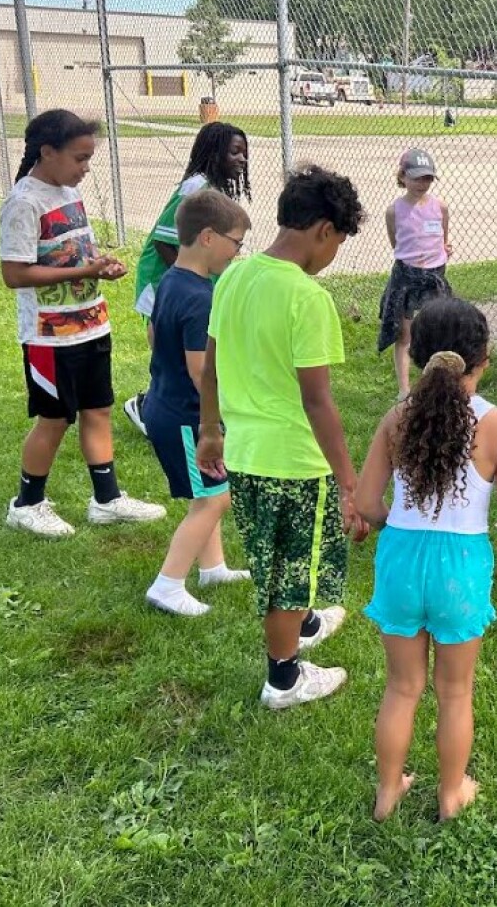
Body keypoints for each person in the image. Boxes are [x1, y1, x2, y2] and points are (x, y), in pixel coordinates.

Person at [196, 164, 370, 709]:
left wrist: (209, 431)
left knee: (275, 560)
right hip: (294, 461)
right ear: (324, 230)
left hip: (245, 454)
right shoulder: (306, 297)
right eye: (338, 242)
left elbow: (211, 369)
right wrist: (348, 481)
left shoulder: (234, 277)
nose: (333, 253)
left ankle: (307, 624)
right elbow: (317, 401)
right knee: (290, 571)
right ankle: (284, 678)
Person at [355, 298, 497, 822]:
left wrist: (394, 528)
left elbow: (366, 503)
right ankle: (451, 794)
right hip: (461, 564)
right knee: (455, 692)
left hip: (401, 559)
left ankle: (388, 792)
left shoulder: (396, 418)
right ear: (485, 359)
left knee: (401, 686)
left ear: (417, 357)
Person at [0, 109, 166, 538]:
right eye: (79, 158)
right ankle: (27, 504)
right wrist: (82, 272)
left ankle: (107, 500)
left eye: (89, 158)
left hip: (91, 325)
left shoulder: (67, 192)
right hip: (50, 337)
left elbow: (72, 254)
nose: (86, 168)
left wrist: (98, 266)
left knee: (98, 410)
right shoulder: (24, 202)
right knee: (54, 419)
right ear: (47, 152)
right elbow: (14, 274)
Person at [143, 189, 254, 617]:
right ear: (208, 237)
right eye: (235, 242)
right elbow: (200, 371)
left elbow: (154, 335)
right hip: (186, 416)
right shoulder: (200, 297)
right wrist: (224, 415)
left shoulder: (172, 280)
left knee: (210, 490)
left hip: (164, 404)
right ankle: (168, 585)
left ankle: (213, 568)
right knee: (214, 500)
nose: (237, 251)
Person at [125, 122, 251, 435]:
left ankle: (189, 410)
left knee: (190, 352)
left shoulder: (215, 189)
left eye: (244, 153)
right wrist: (189, 282)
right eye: (235, 152)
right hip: (161, 282)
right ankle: (148, 408)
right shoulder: (196, 188)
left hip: (184, 287)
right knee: (172, 354)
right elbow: (164, 240)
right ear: (215, 153)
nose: (242, 159)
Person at [378, 148, 453, 400]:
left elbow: (443, 238)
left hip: (434, 276)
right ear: (402, 176)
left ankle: (435, 382)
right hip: (406, 277)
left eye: (428, 178)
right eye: (417, 178)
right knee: (405, 334)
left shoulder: (440, 207)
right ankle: (404, 389)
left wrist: (443, 250)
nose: (422, 183)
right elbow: (396, 242)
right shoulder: (394, 211)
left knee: (437, 330)